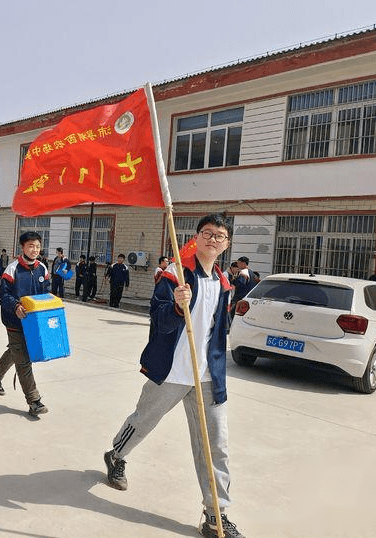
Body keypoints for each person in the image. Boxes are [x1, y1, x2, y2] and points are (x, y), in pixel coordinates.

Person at [102, 214, 244, 538]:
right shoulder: (176, 273)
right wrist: (178, 307)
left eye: (220, 236)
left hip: (208, 376)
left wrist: (220, 370)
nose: (213, 239)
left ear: (227, 244)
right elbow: (158, 318)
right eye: (207, 233)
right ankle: (116, 455)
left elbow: (218, 333)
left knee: (214, 445)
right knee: (144, 421)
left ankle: (215, 515)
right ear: (197, 237)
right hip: (172, 371)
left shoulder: (224, 284)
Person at [0, 231, 50, 417]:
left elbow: (46, 293)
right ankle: (34, 400)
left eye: (37, 246)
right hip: (14, 322)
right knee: (23, 361)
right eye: (31, 246)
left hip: (34, 322)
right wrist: (15, 307)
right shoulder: (12, 269)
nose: (35, 250)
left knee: (16, 351)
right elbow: (2, 295)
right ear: (22, 248)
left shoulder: (42, 269)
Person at [230, 256, 254, 322]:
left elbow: (240, 284)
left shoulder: (242, 272)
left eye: (239, 263)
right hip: (247, 298)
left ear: (243, 263)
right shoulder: (251, 272)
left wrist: (233, 280)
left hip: (239, 298)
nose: (237, 264)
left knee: (233, 315)